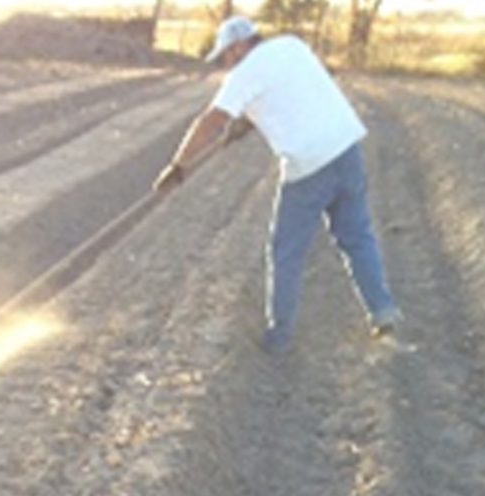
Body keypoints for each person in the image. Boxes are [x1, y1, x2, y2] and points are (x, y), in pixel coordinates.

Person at [154, 15, 401, 354]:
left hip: (309, 165)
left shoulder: (244, 73)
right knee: (357, 237)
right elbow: (291, 92)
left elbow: (211, 121)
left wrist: (178, 165)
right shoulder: (292, 46)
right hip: (347, 149)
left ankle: (279, 336)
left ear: (240, 46)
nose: (226, 64)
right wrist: (248, 123)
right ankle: (383, 312)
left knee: (285, 251)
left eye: (226, 55)